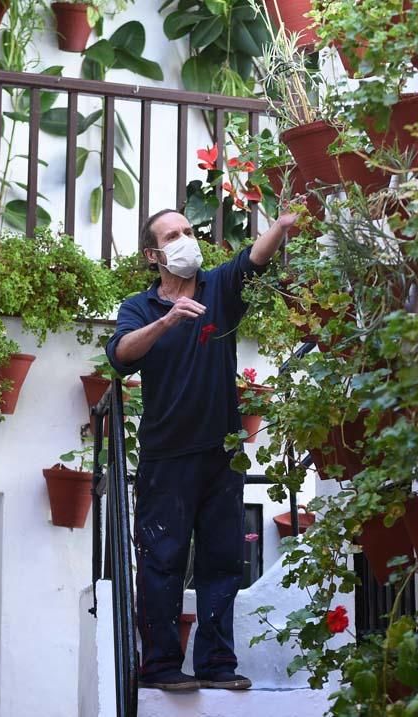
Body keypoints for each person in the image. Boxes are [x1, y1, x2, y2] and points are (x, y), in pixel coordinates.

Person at [106, 207, 295, 691]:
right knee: (162, 561)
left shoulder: (218, 289)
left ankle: (217, 665)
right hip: (166, 458)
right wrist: (167, 322)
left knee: (223, 561)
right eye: (174, 235)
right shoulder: (140, 307)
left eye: (189, 231)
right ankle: (163, 667)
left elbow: (253, 259)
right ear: (154, 254)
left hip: (221, 454)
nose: (187, 240)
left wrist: (281, 225)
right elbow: (121, 355)